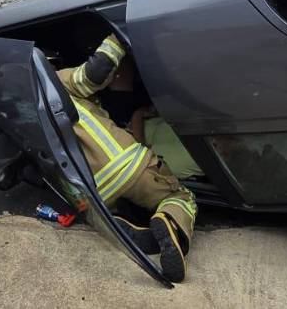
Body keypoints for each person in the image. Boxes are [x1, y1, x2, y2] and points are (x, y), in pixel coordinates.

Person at [56, 33, 197, 283]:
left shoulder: (18, 116)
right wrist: (117, 36)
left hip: (90, 192)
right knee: (180, 196)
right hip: (124, 164)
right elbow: (94, 73)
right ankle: (170, 221)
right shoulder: (55, 82)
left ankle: (120, 217)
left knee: (123, 197)